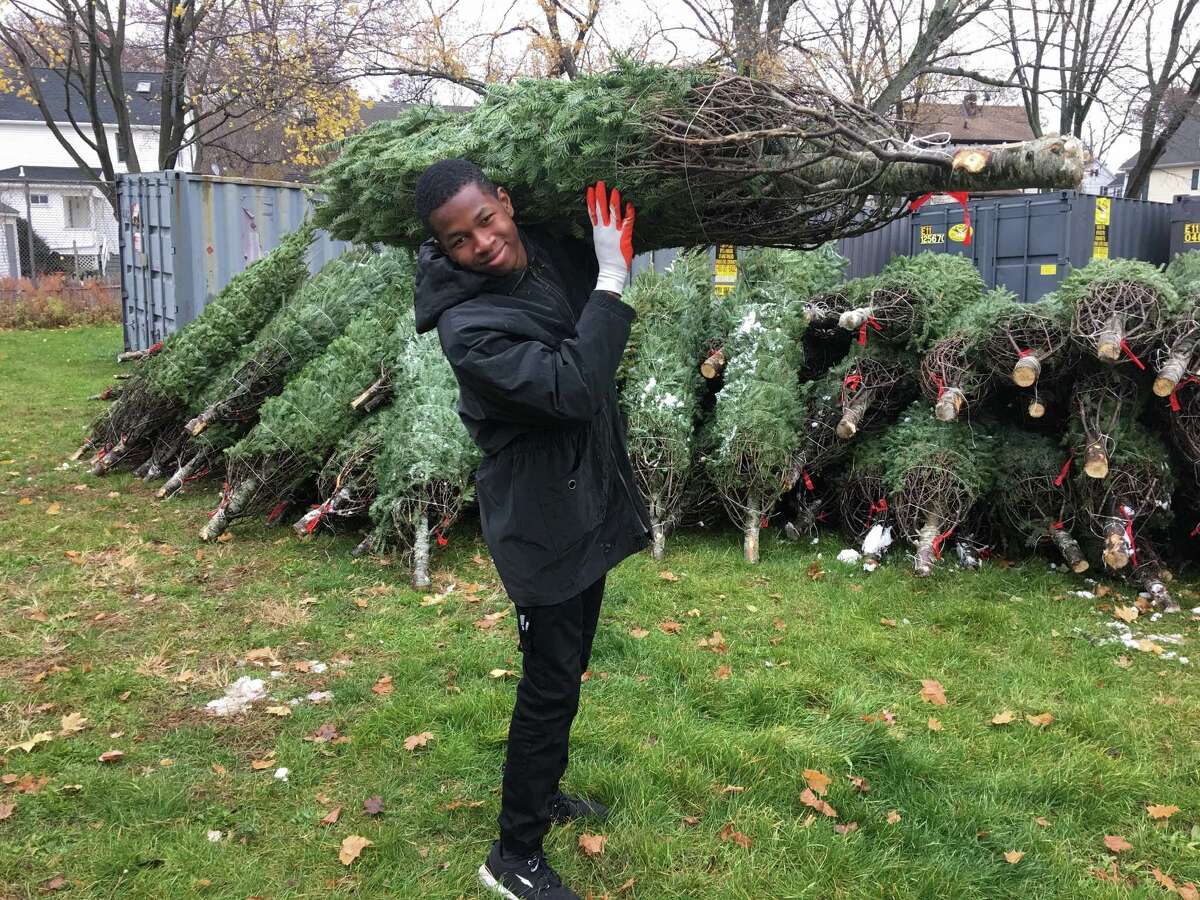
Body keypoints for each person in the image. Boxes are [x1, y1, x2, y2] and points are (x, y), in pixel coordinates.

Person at [412, 158, 653, 900]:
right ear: (443, 249)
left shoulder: (544, 250)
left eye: (486, 220)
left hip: (586, 494)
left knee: (568, 667)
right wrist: (611, 282)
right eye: (459, 240)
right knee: (548, 683)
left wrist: (609, 249)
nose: (482, 244)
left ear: (506, 203)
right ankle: (513, 853)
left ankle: (542, 793)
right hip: (540, 520)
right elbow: (570, 387)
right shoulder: (467, 328)